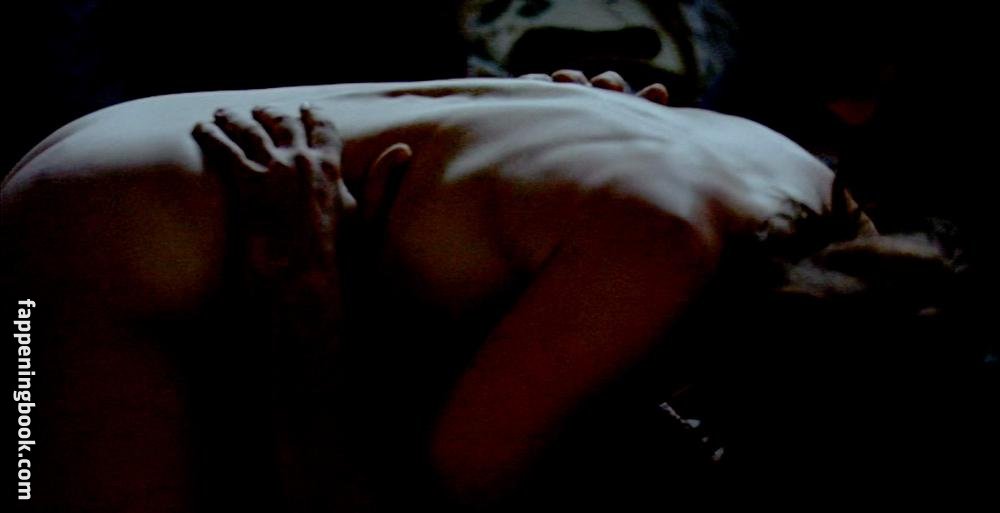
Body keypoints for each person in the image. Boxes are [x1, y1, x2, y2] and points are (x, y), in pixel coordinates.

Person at [3, 71, 938, 511]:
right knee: (26, 457)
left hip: (142, 137)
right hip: (98, 237)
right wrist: (307, 287)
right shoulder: (666, 255)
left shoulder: (799, 178)